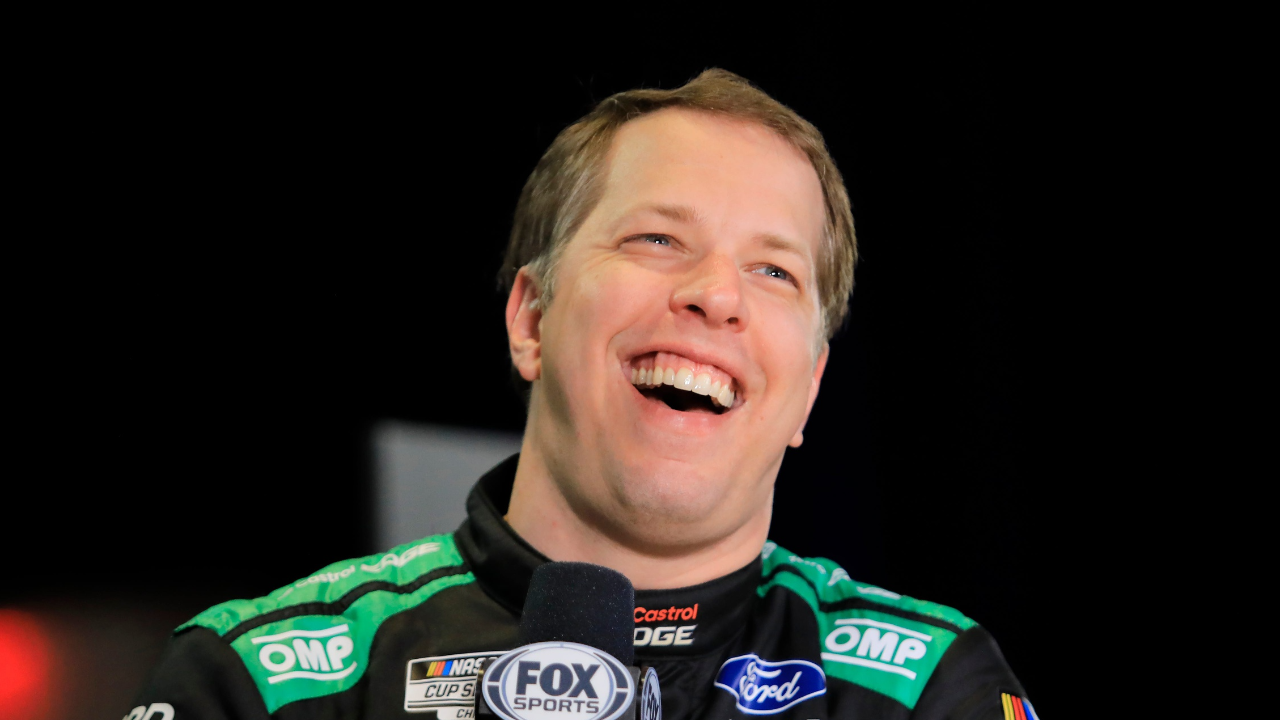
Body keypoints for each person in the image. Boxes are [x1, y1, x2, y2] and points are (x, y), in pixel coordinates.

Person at [128, 69, 1035, 720]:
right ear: (530, 318)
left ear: (808, 392)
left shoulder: (926, 690)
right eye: (655, 240)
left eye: (772, 269)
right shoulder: (256, 685)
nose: (716, 295)